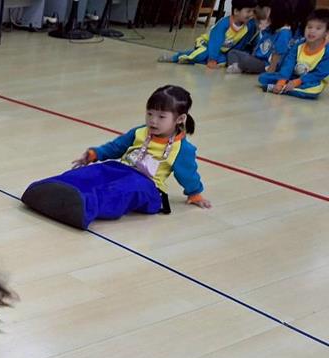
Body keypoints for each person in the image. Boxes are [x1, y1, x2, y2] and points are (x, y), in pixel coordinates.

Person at [22, 85, 207, 230]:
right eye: (149, 113)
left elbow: (188, 174)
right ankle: (48, 188)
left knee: (121, 190)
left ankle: (84, 206)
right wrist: (95, 154)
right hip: (122, 168)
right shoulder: (140, 132)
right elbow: (116, 147)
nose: (153, 120)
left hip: (149, 187)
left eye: (161, 116)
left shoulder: (183, 149)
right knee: (95, 172)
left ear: (180, 119)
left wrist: (195, 193)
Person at [159, 0, 258, 67]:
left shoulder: (248, 26)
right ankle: (177, 57)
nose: (251, 14)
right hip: (206, 43)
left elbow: (242, 43)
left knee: (224, 60)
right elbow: (215, 42)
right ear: (236, 11)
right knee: (204, 53)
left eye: (253, 11)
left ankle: (193, 59)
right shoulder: (224, 24)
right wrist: (212, 59)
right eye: (248, 11)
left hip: (221, 50)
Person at [258, 9, 329, 98]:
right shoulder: (298, 45)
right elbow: (288, 65)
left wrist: (297, 82)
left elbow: (319, 74)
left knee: (314, 90)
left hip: (311, 80)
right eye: (309, 27)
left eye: (318, 28)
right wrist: (281, 81)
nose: (312, 31)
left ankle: (283, 89)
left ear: (326, 32)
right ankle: (285, 87)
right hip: (292, 77)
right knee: (263, 77)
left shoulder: (326, 51)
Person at [227, 1, 294, 74]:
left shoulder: (284, 33)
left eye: (270, 13)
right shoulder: (272, 29)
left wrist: (271, 70)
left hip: (265, 64)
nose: (268, 16)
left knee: (246, 61)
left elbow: (277, 55)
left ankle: (240, 67)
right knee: (232, 52)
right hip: (256, 58)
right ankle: (240, 67)